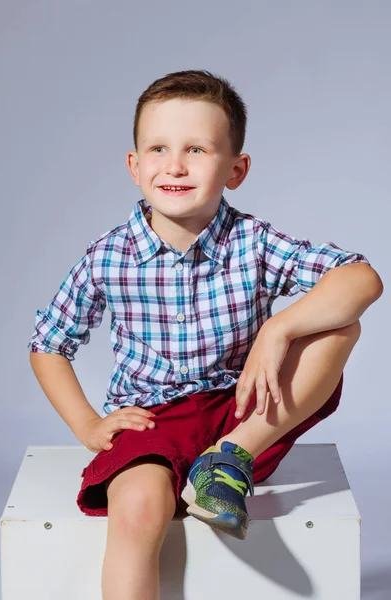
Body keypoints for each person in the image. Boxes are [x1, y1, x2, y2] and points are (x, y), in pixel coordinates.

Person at [27, 69, 383, 600]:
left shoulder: (253, 242)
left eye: (197, 149)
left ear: (235, 169)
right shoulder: (108, 255)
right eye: (158, 148)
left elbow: (362, 278)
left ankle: (227, 461)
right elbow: (48, 344)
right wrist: (87, 424)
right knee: (139, 509)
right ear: (134, 165)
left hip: (244, 412)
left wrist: (279, 329)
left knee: (340, 324)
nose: (174, 165)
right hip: (153, 419)